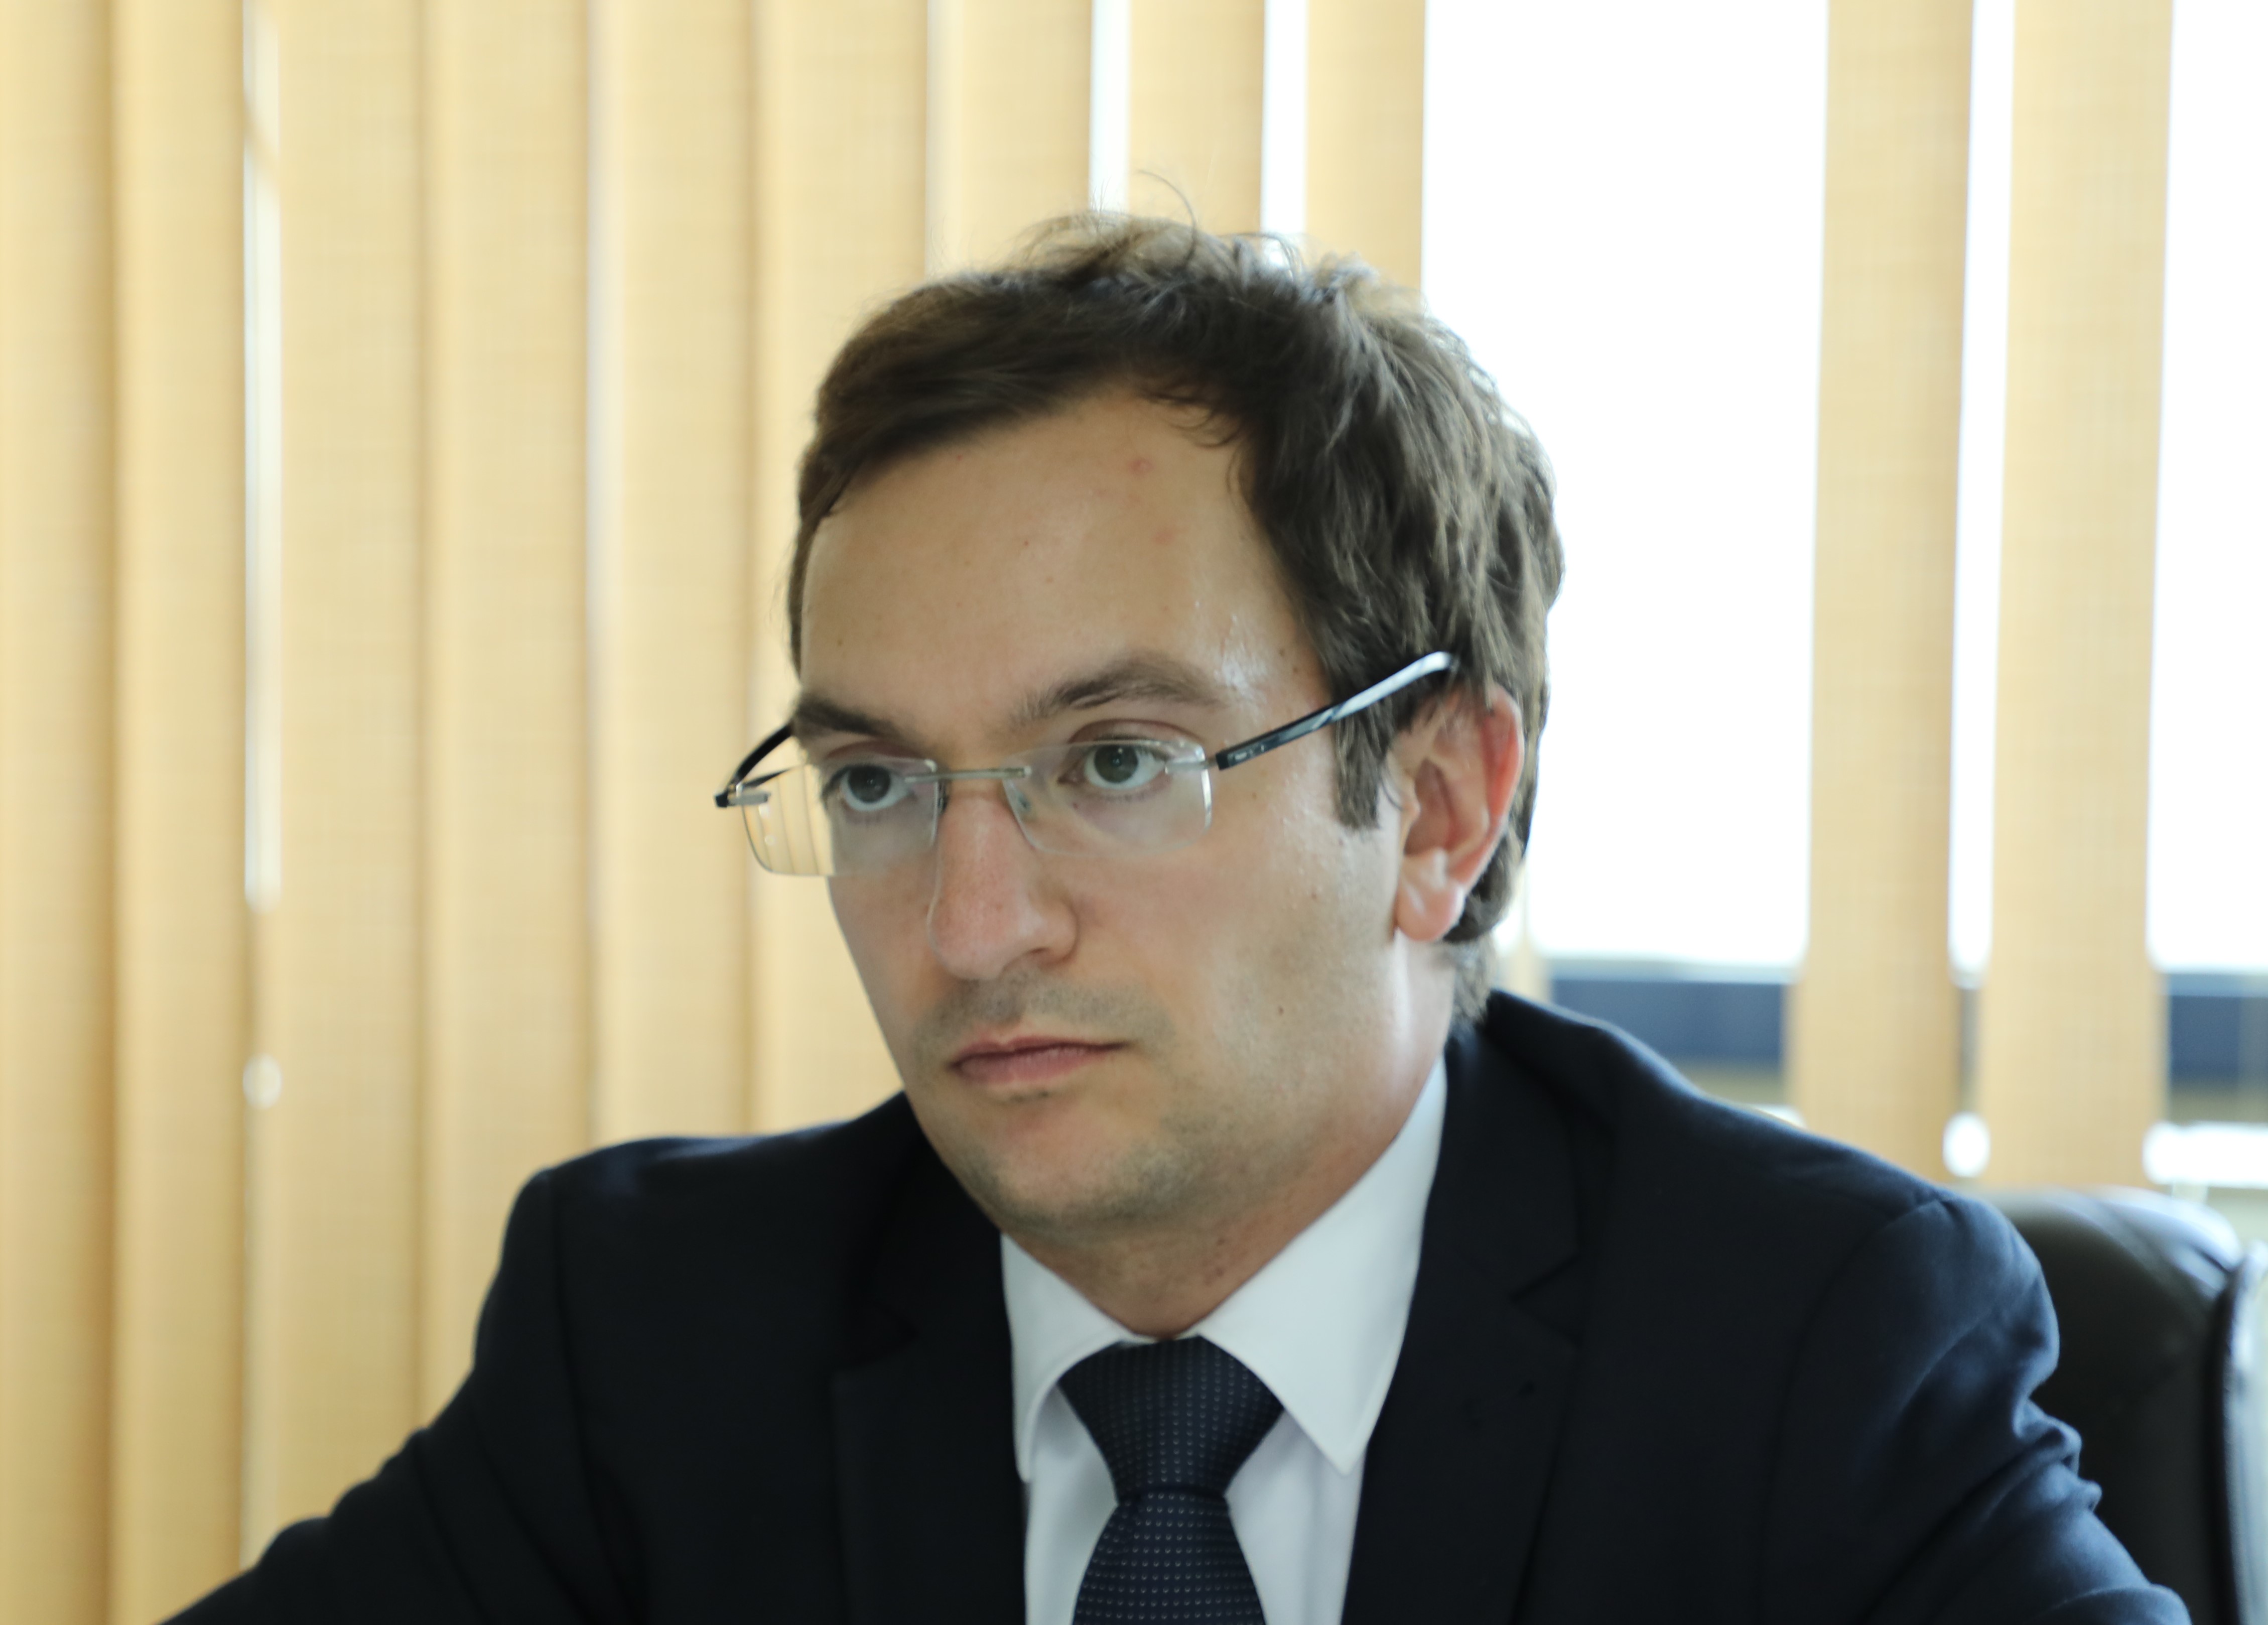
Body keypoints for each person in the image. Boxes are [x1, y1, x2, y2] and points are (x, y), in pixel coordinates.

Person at [174, 217, 2183, 1625]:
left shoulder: (1803, 1346)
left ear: (1435, 808)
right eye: (877, 783)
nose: (973, 927)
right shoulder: (663, 1330)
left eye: (1118, 760)